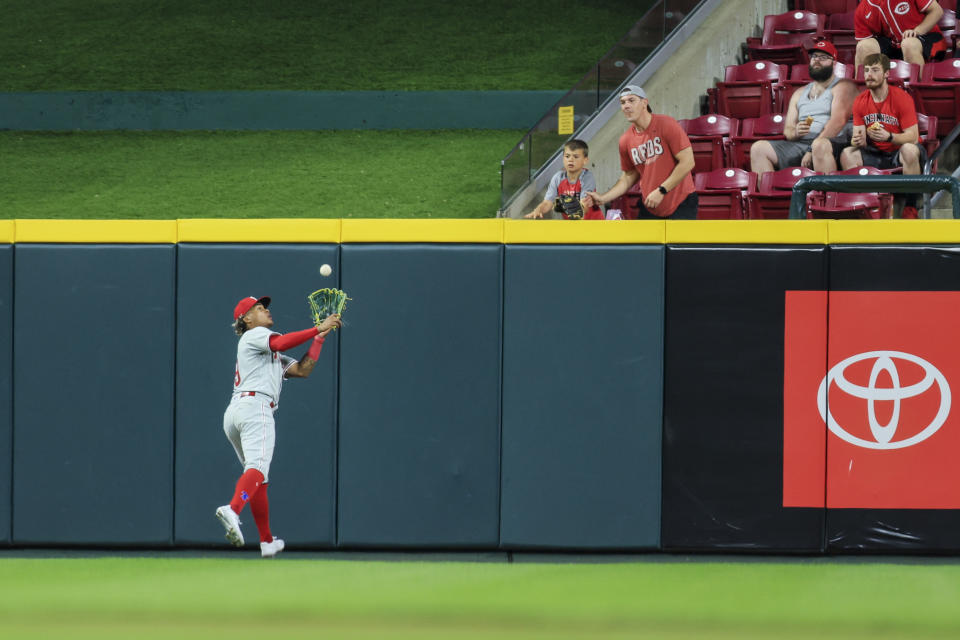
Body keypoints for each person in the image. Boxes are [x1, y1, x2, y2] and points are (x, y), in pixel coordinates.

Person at [216, 295, 342, 557]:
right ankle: (233, 509)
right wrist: (316, 328)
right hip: (255, 408)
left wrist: (320, 338)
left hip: (237, 412)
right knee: (258, 470)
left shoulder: (268, 354)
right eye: (259, 308)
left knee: (259, 479)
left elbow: (303, 370)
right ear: (246, 319)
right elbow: (281, 341)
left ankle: (266, 541)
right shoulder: (255, 336)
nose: (266, 311)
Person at [583, 85, 697, 219]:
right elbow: (629, 175)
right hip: (650, 205)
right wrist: (603, 198)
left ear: (644, 103)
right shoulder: (625, 140)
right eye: (623, 102)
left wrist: (662, 190)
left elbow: (688, 162)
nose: (626, 106)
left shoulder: (666, 124)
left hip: (681, 202)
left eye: (631, 100)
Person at [750, 40, 855, 175]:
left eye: (823, 58)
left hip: (832, 142)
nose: (817, 61)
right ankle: (769, 195)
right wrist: (796, 132)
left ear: (834, 63)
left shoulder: (844, 88)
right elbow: (788, 131)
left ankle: (828, 195)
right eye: (814, 57)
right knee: (758, 148)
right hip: (802, 144)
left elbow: (837, 124)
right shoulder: (799, 93)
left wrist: (811, 150)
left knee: (819, 147)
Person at [840, 53, 925, 219]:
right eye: (866, 70)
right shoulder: (860, 101)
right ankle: (865, 204)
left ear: (886, 73)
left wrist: (889, 137)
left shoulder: (902, 98)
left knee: (909, 149)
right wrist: (857, 140)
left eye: (874, 70)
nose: (869, 75)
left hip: (900, 153)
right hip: (876, 152)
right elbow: (858, 135)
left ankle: (910, 207)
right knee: (847, 153)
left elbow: (913, 137)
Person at [855, 0, 946, 73]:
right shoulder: (862, 9)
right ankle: (864, 93)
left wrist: (917, 31)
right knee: (863, 46)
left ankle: (919, 91)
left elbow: (937, 11)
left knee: (908, 43)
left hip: (928, 37)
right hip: (895, 45)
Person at [525, 139, 604, 219]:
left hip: (594, 224)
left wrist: (560, 205)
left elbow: (584, 207)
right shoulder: (558, 178)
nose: (570, 160)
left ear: (585, 160)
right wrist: (539, 210)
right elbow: (547, 203)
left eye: (576, 157)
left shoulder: (587, 177)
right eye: (567, 156)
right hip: (571, 226)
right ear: (563, 159)